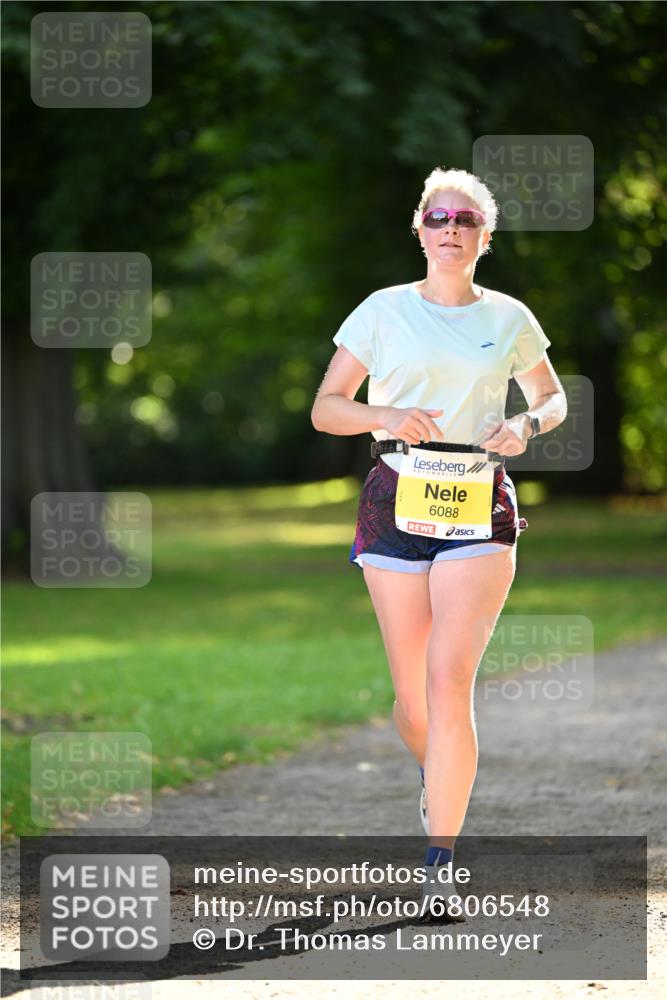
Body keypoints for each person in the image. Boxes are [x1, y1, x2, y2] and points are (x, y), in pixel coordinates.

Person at [311, 166, 567, 919]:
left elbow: (550, 396)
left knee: (448, 680)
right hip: (396, 496)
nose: (448, 228)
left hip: (477, 500)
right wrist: (382, 413)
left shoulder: (511, 317)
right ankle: (439, 778)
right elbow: (328, 407)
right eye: (436, 216)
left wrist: (525, 423)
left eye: (464, 219)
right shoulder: (381, 311)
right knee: (414, 701)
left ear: (485, 238)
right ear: (418, 230)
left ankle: (439, 861)